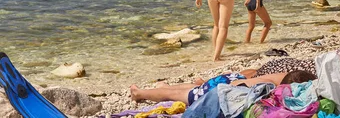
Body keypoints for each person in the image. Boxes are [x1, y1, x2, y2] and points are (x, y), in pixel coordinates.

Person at [130, 70, 316, 104]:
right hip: (223, 88)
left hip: (233, 78)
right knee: (180, 95)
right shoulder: (272, 90)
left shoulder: (281, 77)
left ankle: (166, 85)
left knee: (195, 89)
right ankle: (140, 93)